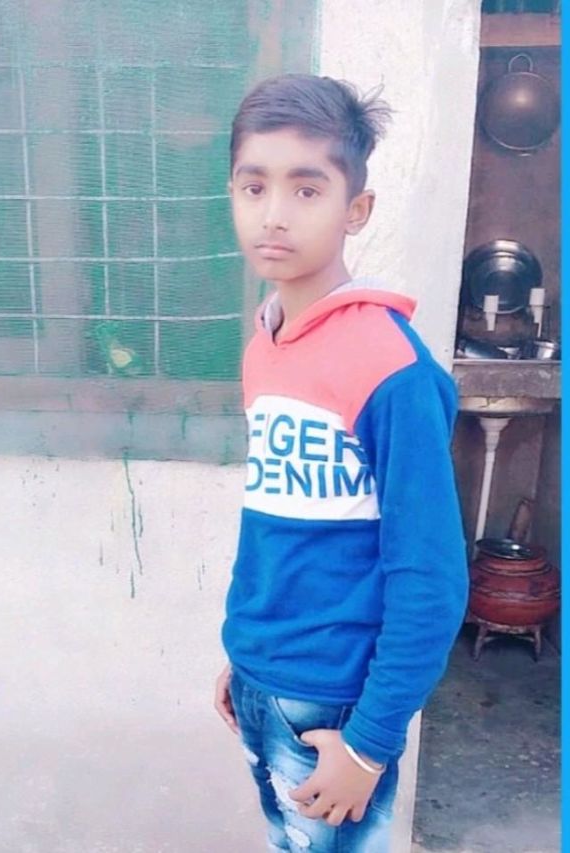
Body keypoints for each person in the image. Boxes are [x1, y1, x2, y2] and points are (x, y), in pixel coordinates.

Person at [214, 73, 468, 853]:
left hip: (336, 707)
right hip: (262, 681)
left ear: (356, 209)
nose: (274, 213)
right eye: (254, 186)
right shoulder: (265, 346)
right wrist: (244, 656)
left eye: (306, 189)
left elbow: (431, 576)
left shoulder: (392, 370)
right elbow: (276, 529)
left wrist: (369, 743)